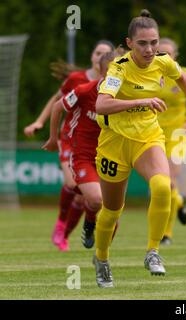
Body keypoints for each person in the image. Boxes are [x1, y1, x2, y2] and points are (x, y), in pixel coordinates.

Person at [93, 9, 186, 288]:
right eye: (142, 43)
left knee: (163, 186)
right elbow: (101, 104)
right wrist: (141, 102)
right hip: (114, 144)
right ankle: (101, 259)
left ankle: (153, 251)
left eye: (154, 43)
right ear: (129, 43)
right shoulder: (119, 68)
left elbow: (184, 80)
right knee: (112, 211)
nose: (150, 49)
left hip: (148, 138)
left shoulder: (163, 62)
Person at [23, 40, 114, 251]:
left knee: (87, 199)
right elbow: (57, 101)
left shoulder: (117, 88)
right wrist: (40, 123)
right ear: (94, 57)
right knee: (74, 185)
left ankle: (71, 233)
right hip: (70, 140)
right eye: (98, 52)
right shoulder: (78, 81)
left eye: (106, 53)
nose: (101, 55)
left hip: (98, 148)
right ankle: (61, 223)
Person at [43, 50, 121, 249]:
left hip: (109, 157)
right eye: (113, 72)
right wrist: (53, 138)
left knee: (111, 213)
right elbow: (57, 107)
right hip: (83, 155)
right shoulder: (85, 90)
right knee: (95, 198)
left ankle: (98, 248)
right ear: (102, 73)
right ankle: (66, 226)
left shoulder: (126, 96)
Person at [157, 38, 186, 245]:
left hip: (179, 133)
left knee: (169, 179)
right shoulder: (151, 75)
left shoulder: (185, 74)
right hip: (154, 133)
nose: (163, 57)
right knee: (164, 184)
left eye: (168, 54)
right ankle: (180, 201)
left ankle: (167, 233)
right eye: (160, 53)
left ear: (175, 56)